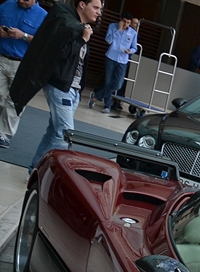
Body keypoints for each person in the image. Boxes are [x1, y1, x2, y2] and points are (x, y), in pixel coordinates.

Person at [11, 0, 103, 173]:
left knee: (54, 131)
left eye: (100, 9)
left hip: (72, 88)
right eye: (96, 7)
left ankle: (35, 170)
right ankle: (46, 173)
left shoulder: (79, 27)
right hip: (60, 86)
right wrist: (82, 39)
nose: (99, 13)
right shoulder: (69, 25)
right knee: (66, 135)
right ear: (82, 5)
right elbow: (59, 54)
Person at [0, 0, 47, 149]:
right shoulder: (6, 5)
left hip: (23, 63)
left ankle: (4, 135)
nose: (22, 1)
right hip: (2, 57)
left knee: (15, 101)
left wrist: (24, 36)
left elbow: (44, 42)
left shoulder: (43, 16)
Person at [88, 13, 136, 114]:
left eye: (128, 23)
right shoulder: (112, 26)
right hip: (111, 57)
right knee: (108, 82)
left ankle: (97, 96)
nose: (126, 24)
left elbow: (134, 47)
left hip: (123, 59)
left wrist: (130, 51)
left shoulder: (133, 33)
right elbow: (108, 40)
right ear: (120, 20)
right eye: (124, 22)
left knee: (117, 85)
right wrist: (119, 30)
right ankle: (107, 106)